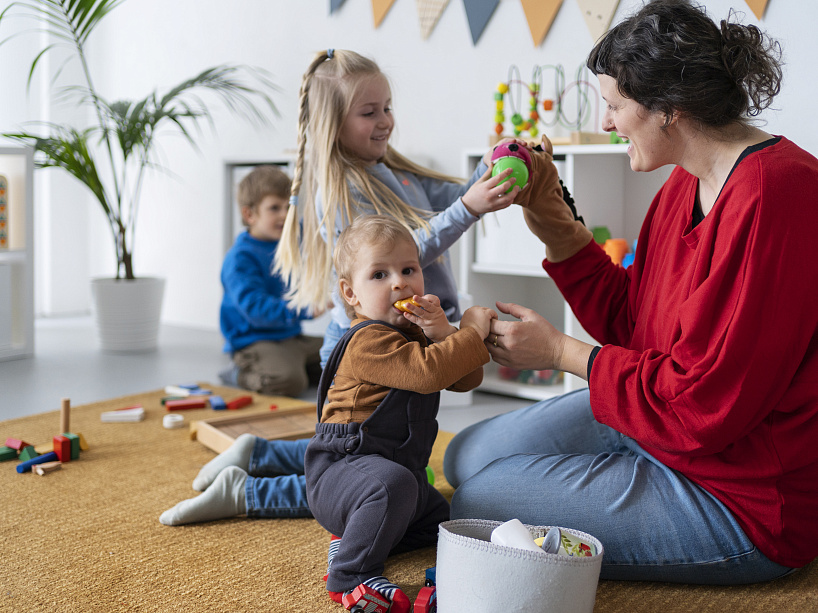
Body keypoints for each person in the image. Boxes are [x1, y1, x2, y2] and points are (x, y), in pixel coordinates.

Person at [443, 0, 818, 586]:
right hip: (661, 428)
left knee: (479, 500)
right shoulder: (683, 185)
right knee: (464, 456)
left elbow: (703, 404)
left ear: (669, 107)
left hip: (739, 495)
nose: (608, 122)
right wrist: (551, 218)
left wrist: (560, 354)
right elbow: (631, 323)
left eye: (615, 105)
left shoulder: (778, 194)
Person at [304, 215, 496, 612]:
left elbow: (465, 379)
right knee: (393, 487)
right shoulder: (367, 340)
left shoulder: (417, 334)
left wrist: (445, 332)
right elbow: (427, 373)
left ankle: (356, 535)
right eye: (379, 274)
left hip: (392, 474)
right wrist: (470, 335)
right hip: (341, 471)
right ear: (350, 293)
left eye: (409, 269)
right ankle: (350, 574)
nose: (399, 282)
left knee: (439, 520)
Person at [218, 165, 323, 397]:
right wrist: (304, 309)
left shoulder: (285, 241)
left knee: (344, 354)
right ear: (250, 214)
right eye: (274, 208)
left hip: (290, 336)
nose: (284, 215)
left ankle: (296, 365)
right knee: (288, 382)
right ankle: (239, 372)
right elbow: (255, 309)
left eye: (288, 207)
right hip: (256, 340)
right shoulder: (240, 258)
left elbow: (316, 232)